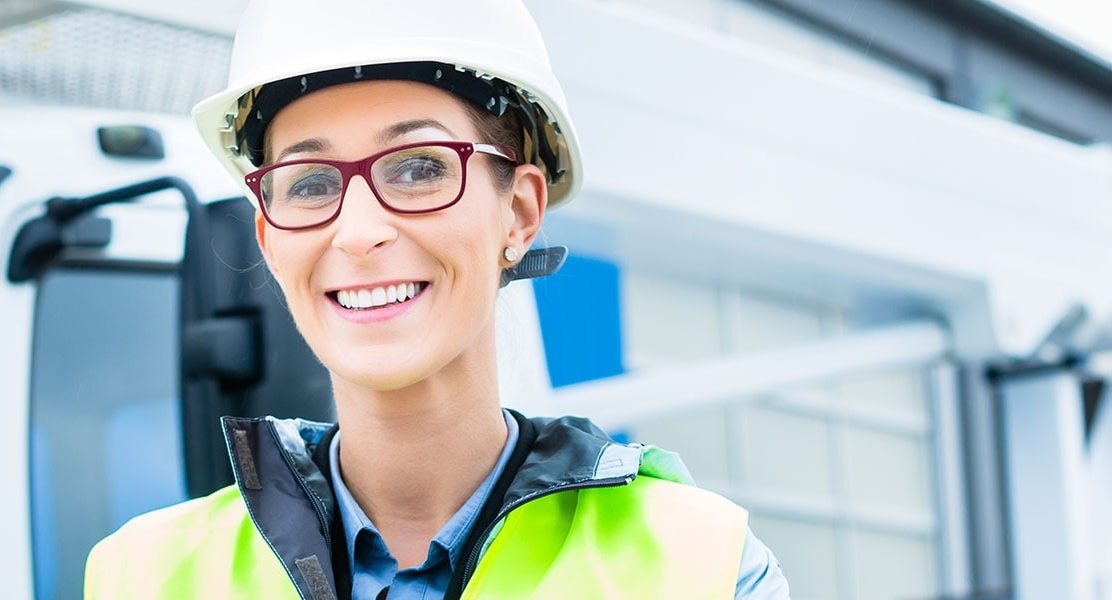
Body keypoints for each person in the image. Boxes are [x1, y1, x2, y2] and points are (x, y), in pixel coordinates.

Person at [87, 0, 790, 598]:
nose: (358, 232)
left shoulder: (701, 568)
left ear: (518, 213)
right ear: (270, 240)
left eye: (419, 168)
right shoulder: (143, 577)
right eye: (308, 183)